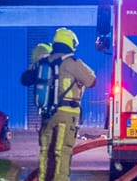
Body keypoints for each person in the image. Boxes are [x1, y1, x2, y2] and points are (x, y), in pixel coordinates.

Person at [36, 28, 96, 181]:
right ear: (70, 42)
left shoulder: (44, 62)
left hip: (47, 115)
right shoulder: (72, 63)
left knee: (45, 152)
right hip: (67, 114)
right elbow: (92, 81)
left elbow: (26, 79)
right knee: (62, 152)